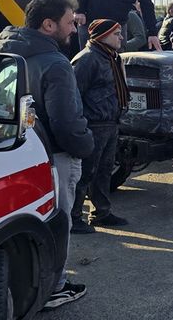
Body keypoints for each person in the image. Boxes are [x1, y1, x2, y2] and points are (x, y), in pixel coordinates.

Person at [0, 0, 93, 310]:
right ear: (48, 25)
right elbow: (66, 122)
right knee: (58, 221)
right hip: (54, 157)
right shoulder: (56, 63)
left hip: (8, 154)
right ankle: (54, 288)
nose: (74, 29)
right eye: (69, 22)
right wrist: (86, 146)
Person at [70, 19, 130, 233]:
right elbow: (73, 95)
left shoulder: (111, 56)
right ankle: (74, 217)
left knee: (104, 171)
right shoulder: (87, 59)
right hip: (94, 125)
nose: (121, 37)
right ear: (102, 36)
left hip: (110, 122)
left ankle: (101, 213)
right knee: (85, 172)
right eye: (116, 34)